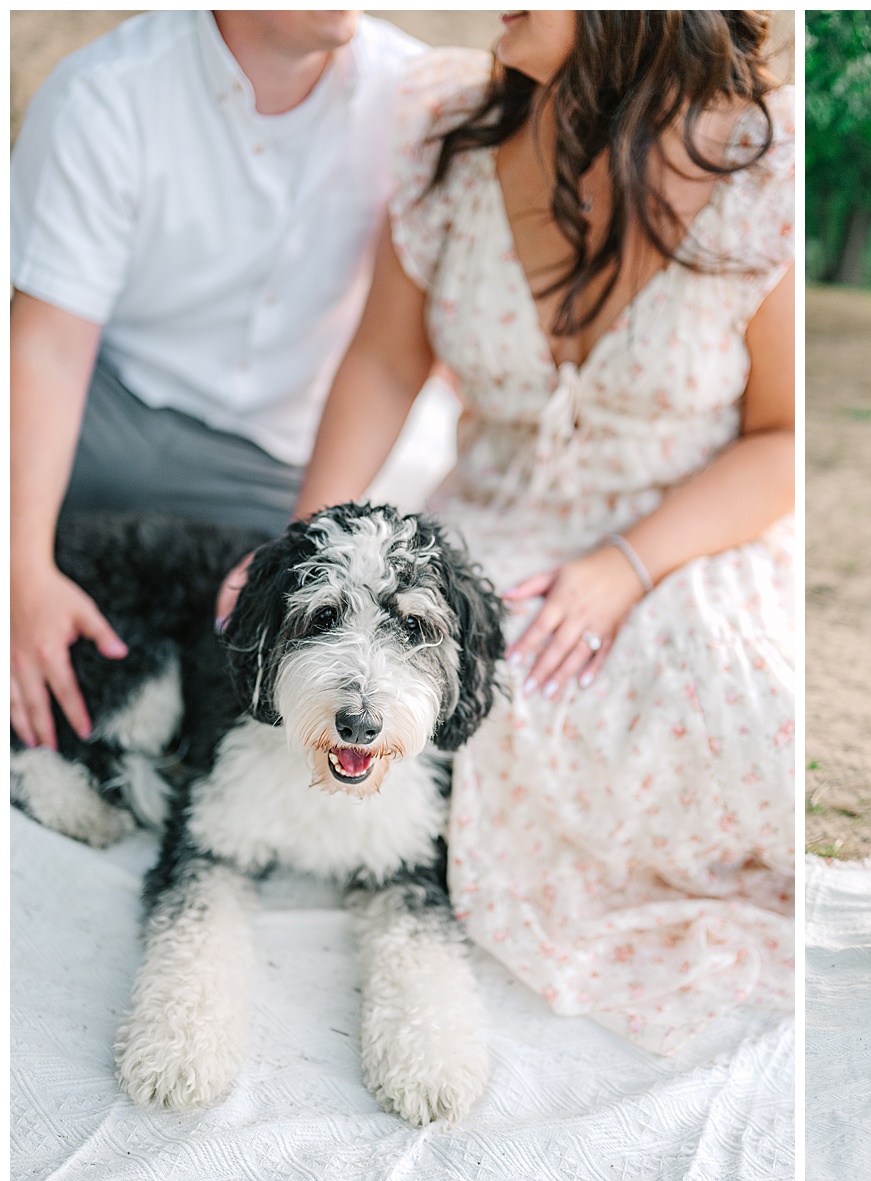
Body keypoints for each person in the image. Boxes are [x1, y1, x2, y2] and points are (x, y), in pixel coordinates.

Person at [249, 11, 795, 1053]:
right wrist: (299, 543)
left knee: (740, 713)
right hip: (491, 515)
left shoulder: (762, 163)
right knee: (453, 695)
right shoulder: (450, 129)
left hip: (682, 526)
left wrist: (620, 569)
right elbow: (381, 364)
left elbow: (780, 439)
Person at [10, 10, 422, 753]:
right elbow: (48, 349)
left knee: (263, 676)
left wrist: (305, 540)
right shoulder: (105, 92)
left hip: (268, 463)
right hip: (106, 412)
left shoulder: (417, 99)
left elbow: (389, 356)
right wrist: (20, 571)